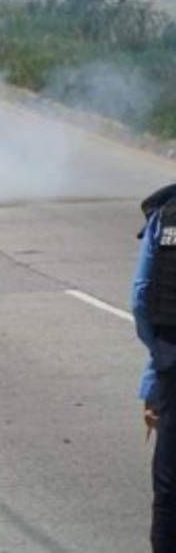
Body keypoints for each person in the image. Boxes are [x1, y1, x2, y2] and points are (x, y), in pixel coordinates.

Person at [132, 183, 176, 551]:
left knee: (169, 484)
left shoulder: (166, 217)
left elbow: (142, 298)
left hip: (173, 364)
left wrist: (155, 367)